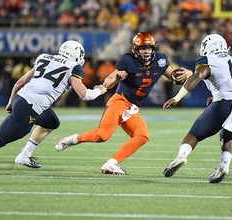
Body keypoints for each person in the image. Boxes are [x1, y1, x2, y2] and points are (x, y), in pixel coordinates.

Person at [55, 32, 193, 175]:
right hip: (120, 101)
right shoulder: (127, 61)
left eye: (149, 48)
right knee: (102, 136)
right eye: (143, 48)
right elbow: (107, 82)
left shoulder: (160, 60)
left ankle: (112, 163)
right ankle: (73, 139)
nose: (146, 51)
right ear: (135, 49)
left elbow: (174, 77)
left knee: (142, 136)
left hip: (133, 108)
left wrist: (187, 73)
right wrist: (117, 78)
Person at [0, 40, 107, 168]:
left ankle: (25, 155)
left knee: (51, 121)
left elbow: (20, 82)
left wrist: (10, 102)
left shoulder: (44, 57)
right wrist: (99, 90)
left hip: (22, 99)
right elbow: (85, 95)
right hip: (30, 107)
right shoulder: (73, 67)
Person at [163, 34, 232, 183]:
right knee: (227, 136)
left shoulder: (208, 59)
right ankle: (224, 166)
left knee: (193, 134)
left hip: (225, 103)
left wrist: (177, 97)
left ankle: (181, 157)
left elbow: (198, 76)